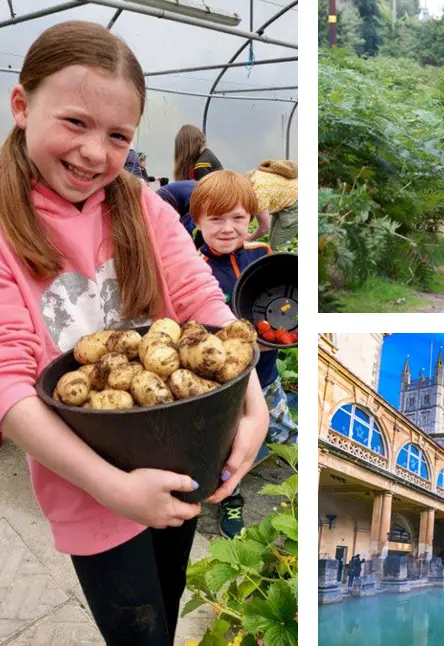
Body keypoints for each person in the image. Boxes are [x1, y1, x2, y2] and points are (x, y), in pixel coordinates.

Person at [0, 22, 268, 645]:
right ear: (21, 106)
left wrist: (248, 402)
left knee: (167, 607)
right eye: (75, 123)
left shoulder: (142, 206)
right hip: (88, 488)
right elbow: (10, 386)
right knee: (136, 630)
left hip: (180, 453)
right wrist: (116, 489)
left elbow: (204, 303)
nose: (95, 152)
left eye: (118, 135)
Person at [190, 171, 298, 538]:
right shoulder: (193, 270)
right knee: (228, 449)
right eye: (215, 219)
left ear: (252, 219)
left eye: (237, 218)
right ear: (197, 220)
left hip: (265, 376)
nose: (227, 228)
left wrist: (283, 339)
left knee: (285, 429)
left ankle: (305, 481)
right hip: (224, 388)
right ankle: (231, 502)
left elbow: (285, 307)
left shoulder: (263, 255)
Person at [245, 159, 297, 250]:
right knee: (271, 244)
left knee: (276, 250)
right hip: (284, 198)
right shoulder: (248, 178)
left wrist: (248, 238)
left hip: (295, 204)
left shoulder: (257, 194)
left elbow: (264, 227)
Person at [155, 179, 201, 246]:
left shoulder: (203, 188)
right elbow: (188, 223)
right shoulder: (203, 194)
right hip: (164, 198)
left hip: (165, 196)